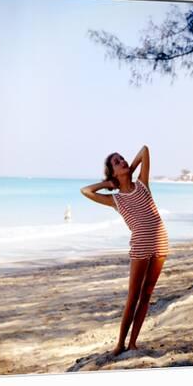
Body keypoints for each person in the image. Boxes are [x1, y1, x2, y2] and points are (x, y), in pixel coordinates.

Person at [80, 145, 169, 356]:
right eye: (116, 162)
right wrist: (107, 183)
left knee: (146, 295)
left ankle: (133, 343)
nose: (122, 161)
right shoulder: (115, 200)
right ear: (113, 172)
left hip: (160, 242)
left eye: (122, 159)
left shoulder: (142, 184)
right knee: (133, 296)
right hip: (140, 244)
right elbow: (86, 191)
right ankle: (120, 343)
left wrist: (130, 168)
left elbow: (145, 150)